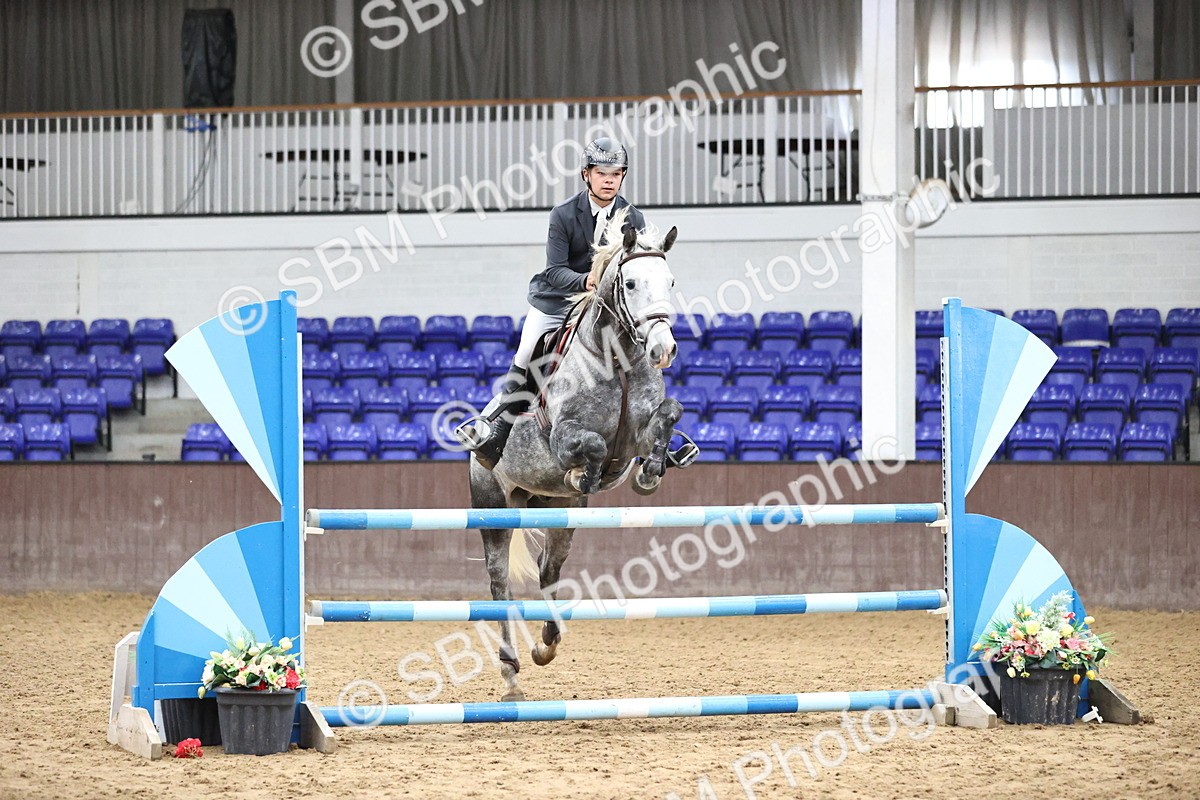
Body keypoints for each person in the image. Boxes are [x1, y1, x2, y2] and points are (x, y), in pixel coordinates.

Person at [456, 137, 646, 470]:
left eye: (616, 174)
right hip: (557, 301)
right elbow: (554, 270)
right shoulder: (563, 214)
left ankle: (655, 437)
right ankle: (498, 434)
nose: (609, 180)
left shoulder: (633, 217)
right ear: (586, 175)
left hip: (603, 309)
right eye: (602, 173)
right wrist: (585, 281)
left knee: (639, 350)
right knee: (527, 348)